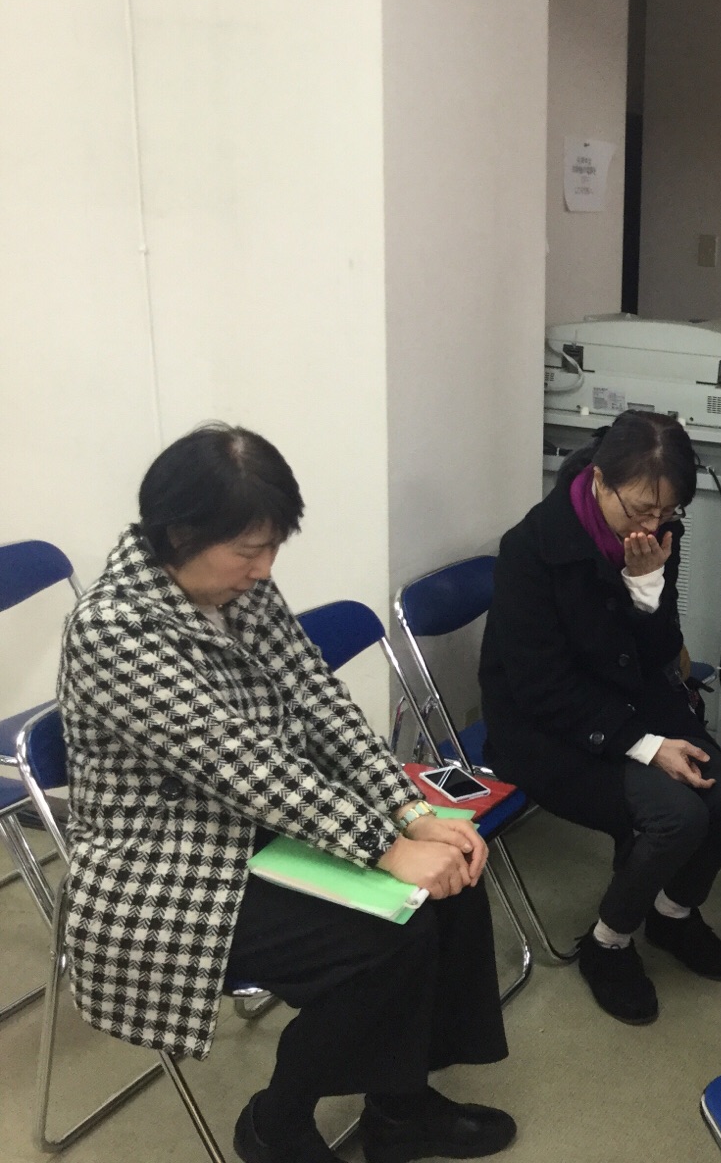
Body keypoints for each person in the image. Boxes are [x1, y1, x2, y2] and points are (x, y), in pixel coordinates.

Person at [56, 425, 515, 1163]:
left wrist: (411, 813)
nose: (264, 568)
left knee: (452, 882)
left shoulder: (241, 591)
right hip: (168, 866)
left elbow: (316, 700)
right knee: (384, 943)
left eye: (272, 548)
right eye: (249, 550)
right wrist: (383, 845)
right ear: (181, 534)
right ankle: (277, 1121)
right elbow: (237, 761)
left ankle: (399, 1106)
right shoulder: (113, 628)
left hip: (267, 823)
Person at [479, 411, 721, 1027]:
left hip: (634, 703)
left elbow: (659, 655)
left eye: (668, 512)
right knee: (677, 816)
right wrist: (646, 745)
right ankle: (607, 944)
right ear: (600, 480)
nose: (652, 526)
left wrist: (647, 587)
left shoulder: (655, 537)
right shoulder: (531, 549)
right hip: (546, 729)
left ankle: (672, 916)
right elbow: (540, 686)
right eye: (640, 510)